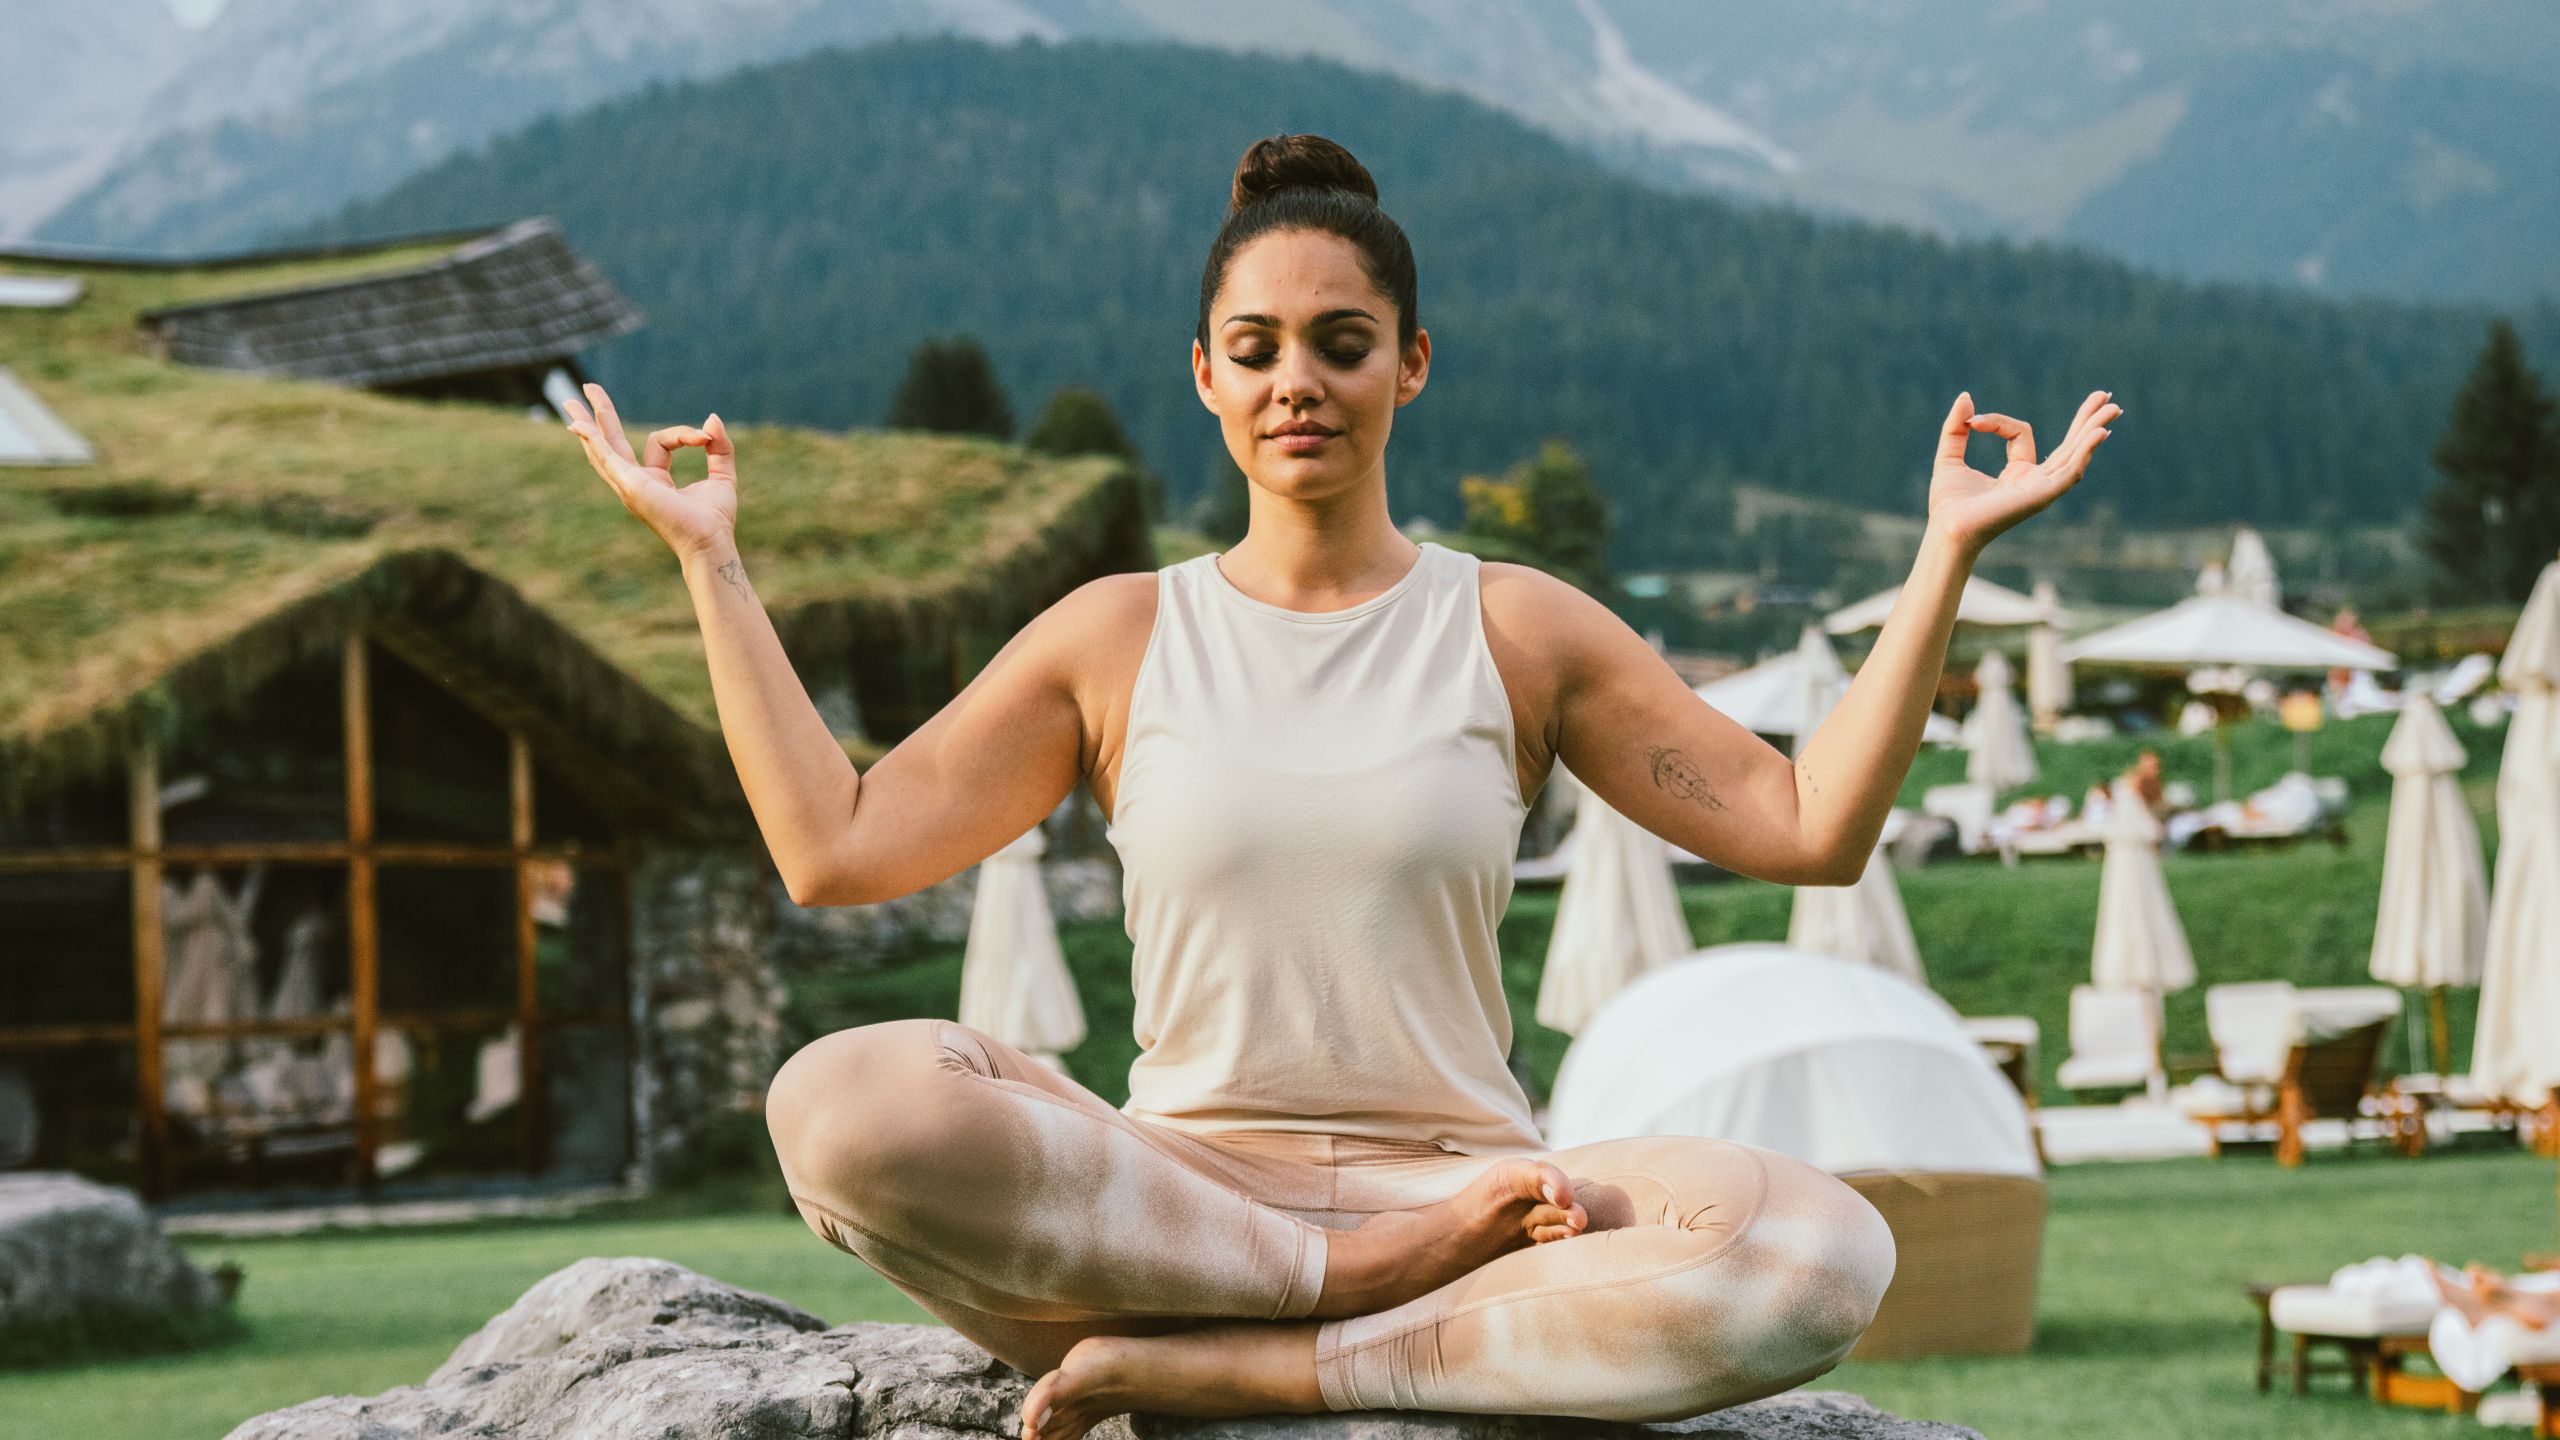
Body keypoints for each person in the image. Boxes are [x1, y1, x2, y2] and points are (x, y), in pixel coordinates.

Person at [560, 132, 2123, 1437]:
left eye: (1340, 342)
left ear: (1411, 365)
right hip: (1178, 1201)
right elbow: (834, 850)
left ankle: (1259, 1366)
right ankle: (1329, 1297)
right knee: (838, 1102)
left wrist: (1946, 558)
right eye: (1254, 350)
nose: (1295, 380)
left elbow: (1809, 829)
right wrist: (713, 563)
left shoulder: (1517, 626)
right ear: (1204, 377)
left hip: (1483, 1207)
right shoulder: (1119, 635)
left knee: (1818, 1255)